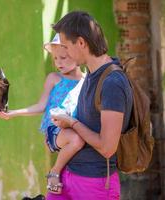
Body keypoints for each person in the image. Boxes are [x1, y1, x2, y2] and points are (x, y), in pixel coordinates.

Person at [49, 11, 133, 200]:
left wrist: (71, 122)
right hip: (68, 176)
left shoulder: (112, 83)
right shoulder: (91, 74)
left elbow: (107, 147)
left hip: (95, 185)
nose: (65, 53)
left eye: (66, 46)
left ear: (81, 43)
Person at [0, 34, 85, 194]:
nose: (58, 62)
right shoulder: (54, 78)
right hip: (54, 131)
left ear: (77, 54)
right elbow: (41, 106)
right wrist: (13, 113)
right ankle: (54, 171)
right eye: (55, 58)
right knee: (76, 140)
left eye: (63, 58)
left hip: (73, 127)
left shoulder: (86, 81)